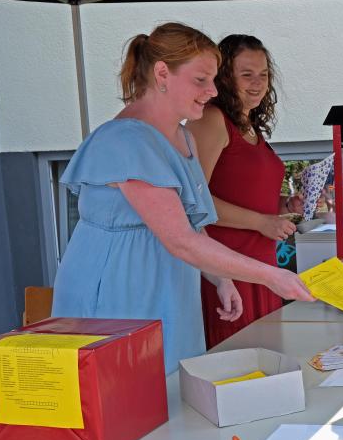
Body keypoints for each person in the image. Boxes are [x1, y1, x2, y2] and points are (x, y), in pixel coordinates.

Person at [52, 23, 314, 374]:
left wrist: (221, 278)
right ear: (162, 74)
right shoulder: (126, 140)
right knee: (129, 394)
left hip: (169, 288)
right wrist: (269, 275)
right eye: (201, 80)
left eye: (213, 80)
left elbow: (193, 224)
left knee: (174, 393)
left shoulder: (182, 139)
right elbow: (181, 240)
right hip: (119, 293)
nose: (211, 91)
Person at [186, 34, 305, 348]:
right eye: (247, 74)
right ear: (225, 77)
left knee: (266, 367)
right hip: (226, 271)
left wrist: (283, 205)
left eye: (264, 75)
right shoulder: (211, 120)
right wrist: (261, 222)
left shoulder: (250, 126)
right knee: (237, 372)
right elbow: (193, 202)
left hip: (263, 270)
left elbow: (243, 194)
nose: (257, 83)